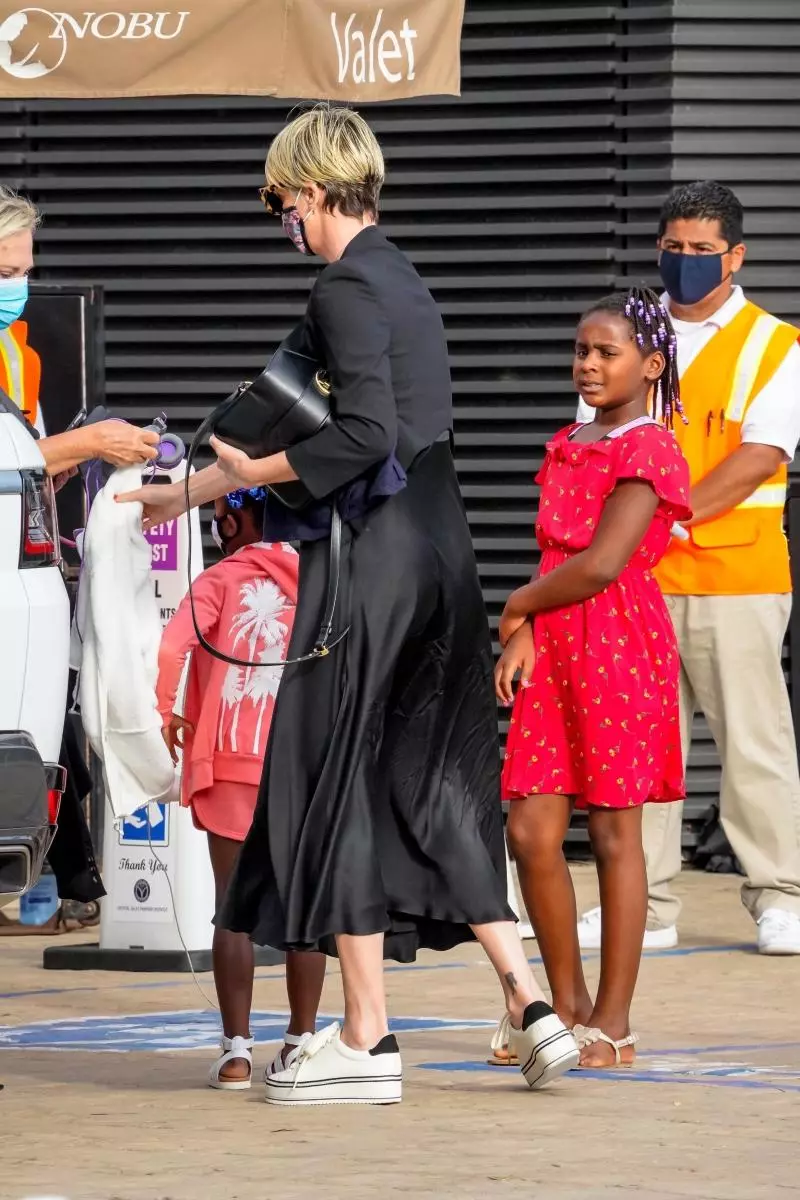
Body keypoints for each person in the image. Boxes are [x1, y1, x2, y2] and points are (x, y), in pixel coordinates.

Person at [121, 104, 579, 1105]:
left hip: (370, 554)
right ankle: (527, 1001)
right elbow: (327, 415)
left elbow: (362, 433)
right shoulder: (400, 280)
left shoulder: (342, 289)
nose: (276, 214)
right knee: (424, 773)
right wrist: (188, 488)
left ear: (313, 191)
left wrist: (250, 473)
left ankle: (367, 1035)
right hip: (441, 548)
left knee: (330, 775)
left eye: (278, 197)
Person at [576, 182, 800, 956]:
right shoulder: (627, 336)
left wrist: (657, 518)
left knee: (753, 743)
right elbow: (593, 443)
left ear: (735, 257)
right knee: (640, 745)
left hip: (735, 577)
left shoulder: (776, 345)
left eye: (703, 251)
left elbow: (760, 457)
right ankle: (649, 902)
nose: (685, 262)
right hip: (638, 582)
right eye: (674, 247)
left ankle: (781, 896)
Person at [494, 286, 691, 1068]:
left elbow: (604, 563)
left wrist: (514, 608)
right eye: (581, 350)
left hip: (616, 639)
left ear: (650, 365)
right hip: (554, 639)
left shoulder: (650, 447)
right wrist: (528, 631)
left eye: (606, 352)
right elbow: (560, 561)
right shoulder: (571, 440)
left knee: (614, 832)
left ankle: (612, 1022)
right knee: (529, 830)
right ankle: (563, 1007)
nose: (587, 364)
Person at [155, 487, 322, 1089]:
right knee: (304, 907)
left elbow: (172, 646)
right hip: (302, 763)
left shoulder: (221, 578)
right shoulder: (323, 576)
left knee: (233, 908)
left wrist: (163, 715)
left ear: (236, 519)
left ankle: (236, 1052)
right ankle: (301, 1044)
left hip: (229, 760)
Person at [0, 184, 160, 472]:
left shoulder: (17, 353)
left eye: (24, 274)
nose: (17, 287)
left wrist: (52, 465)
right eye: (4, 274)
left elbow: (21, 456)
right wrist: (91, 441)